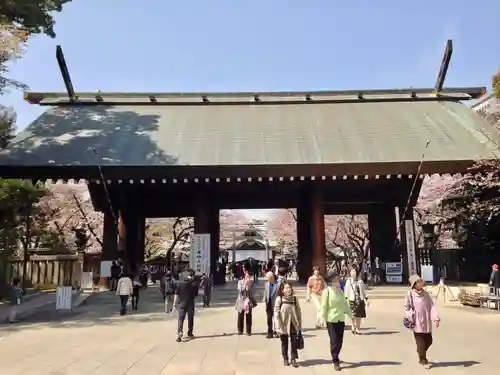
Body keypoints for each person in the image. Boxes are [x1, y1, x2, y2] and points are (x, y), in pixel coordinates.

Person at [405, 274, 440, 369]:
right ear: (414, 284)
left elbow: (432, 306)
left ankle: (420, 352)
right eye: (419, 281)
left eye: (421, 281)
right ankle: (423, 360)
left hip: (426, 321)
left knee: (429, 341)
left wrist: (436, 318)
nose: (421, 283)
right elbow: (407, 307)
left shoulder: (426, 294)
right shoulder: (410, 294)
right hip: (416, 322)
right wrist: (409, 316)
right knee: (421, 342)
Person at [321, 270, 352, 371]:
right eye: (335, 279)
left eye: (338, 279)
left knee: (340, 341)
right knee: (334, 341)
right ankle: (335, 360)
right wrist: (322, 318)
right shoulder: (327, 292)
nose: (337, 281)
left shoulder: (340, 291)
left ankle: (336, 354)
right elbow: (324, 306)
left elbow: (345, 304)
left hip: (340, 319)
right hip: (331, 320)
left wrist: (350, 315)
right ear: (331, 281)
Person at [274, 281, 302, 367]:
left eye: (289, 287)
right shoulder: (280, 299)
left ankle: (293, 358)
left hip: (293, 323)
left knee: (293, 342)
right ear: (282, 290)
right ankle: (285, 358)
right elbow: (276, 312)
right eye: (286, 288)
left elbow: (298, 312)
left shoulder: (294, 299)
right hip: (283, 324)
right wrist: (277, 326)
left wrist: (299, 325)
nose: (288, 289)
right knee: (284, 342)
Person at [173, 269, 198, 342]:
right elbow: (195, 294)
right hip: (190, 303)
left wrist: (174, 304)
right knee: (190, 318)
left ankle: (179, 332)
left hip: (182, 303)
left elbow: (176, 294)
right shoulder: (193, 284)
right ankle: (190, 333)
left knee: (181, 319)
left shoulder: (179, 284)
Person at [344, 267, 368, 334]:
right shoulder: (348, 281)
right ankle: (353, 326)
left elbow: (363, 291)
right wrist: (345, 299)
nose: (353, 273)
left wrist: (366, 299)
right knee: (353, 314)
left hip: (360, 300)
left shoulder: (360, 281)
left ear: (357, 272)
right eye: (352, 271)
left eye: (354, 271)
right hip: (352, 299)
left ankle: (357, 328)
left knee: (359, 315)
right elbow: (346, 290)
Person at [235, 268, 255, 336]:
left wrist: (249, 286)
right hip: (241, 301)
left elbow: (253, 291)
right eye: (247, 276)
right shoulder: (240, 282)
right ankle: (240, 330)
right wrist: (245, 285)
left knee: (249, 316)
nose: (248, 278)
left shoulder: (251, 283)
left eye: (249, 277)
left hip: (248, 301)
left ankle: (248, 331)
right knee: (240, 316)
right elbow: (240, 290)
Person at [262, 271, 278, 338]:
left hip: (276, 304)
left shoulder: (278, 285)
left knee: (276, 319)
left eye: (268, 278)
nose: (267, 279)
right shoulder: (266, 284)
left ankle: (277, 332)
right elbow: (265, 292)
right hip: (268, 304)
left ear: (272, 278)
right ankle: (270, 333)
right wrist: (264, 299)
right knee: (269, 319)